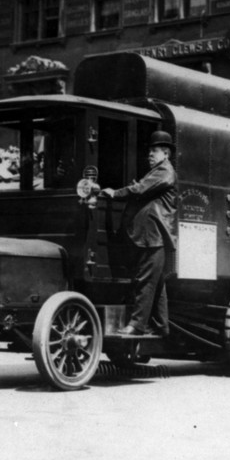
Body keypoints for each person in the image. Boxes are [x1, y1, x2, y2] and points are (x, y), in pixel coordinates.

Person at [100, 131, 177, 336]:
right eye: (149, 151)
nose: (149, 155)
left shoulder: (164, 172)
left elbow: (140, 189)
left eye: (154, 151)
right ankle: (161, 326)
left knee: (145, 282)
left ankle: (136, 326)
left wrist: (115, 193)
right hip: (151, 237)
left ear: (166, 153)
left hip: (154, 237)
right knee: (156, 284)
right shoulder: (158, 172)